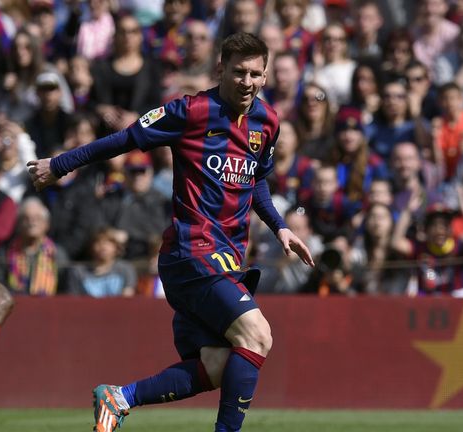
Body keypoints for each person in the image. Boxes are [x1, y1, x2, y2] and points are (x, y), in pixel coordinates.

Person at [27, 32, 314, 432]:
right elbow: (124, 139)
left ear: (265, 76)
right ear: (221, 70)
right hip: (191, 249)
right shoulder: (192, 110)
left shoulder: (267, 122)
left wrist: (280, 226)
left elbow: (258, 180)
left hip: (228, 256)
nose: (246, 82)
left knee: (216, 366)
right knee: (258, 335)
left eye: (254, 74)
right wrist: (60, 164)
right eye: (238, 73)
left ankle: (120, 398)